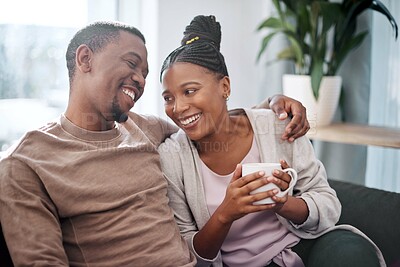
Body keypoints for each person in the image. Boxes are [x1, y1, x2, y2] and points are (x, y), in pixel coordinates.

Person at [0, 21, 310, 266]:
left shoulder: (143, 128)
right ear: (85, 59)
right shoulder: (26, 164)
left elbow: (210, 124)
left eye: (145, 73)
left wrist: (272, 106)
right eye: (132, 64)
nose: (140, 79)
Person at [158, 15, 384, 267]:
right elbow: (188, 253)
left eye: (189, 91)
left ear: (225, 87)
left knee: (351, 254)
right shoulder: (172, 156)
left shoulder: (275, 125)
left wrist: (283, 203)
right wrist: (225, 214)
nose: (178, 107)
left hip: (299, 247)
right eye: (168, 98)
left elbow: (327, 203)